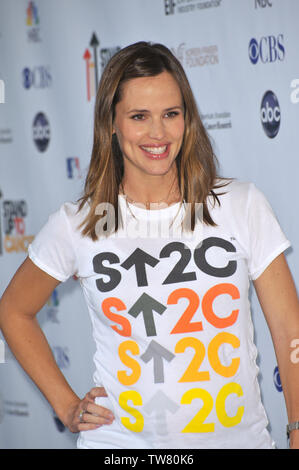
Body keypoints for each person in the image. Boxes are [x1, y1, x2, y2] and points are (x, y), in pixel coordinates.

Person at [0, 41, 299, 450]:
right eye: (139, 116)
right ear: (112, 122)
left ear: (186, 119)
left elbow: (289, 330)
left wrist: (298, 427)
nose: (157, 133)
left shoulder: (240, 205)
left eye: (170, 114)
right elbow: (13, 310)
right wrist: (67, 406)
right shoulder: (79, 224)